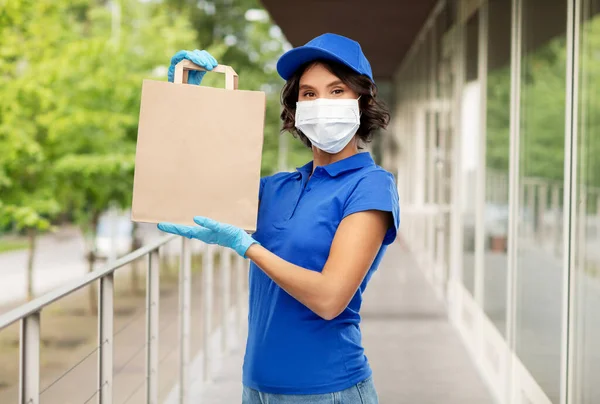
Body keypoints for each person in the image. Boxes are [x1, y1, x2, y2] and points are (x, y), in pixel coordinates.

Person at [159, 33, 400, 404]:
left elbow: (330, 298)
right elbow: (185, 185)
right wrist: (188, 105)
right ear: (296, 107)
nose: (321, 102)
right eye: (309, 93)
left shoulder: (370, 187)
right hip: (257, 387)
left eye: (336, 91)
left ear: (361, 100)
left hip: (327, 390)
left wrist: (247, 246)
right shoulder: (277, 187)